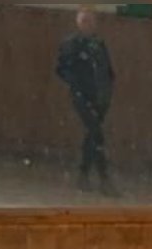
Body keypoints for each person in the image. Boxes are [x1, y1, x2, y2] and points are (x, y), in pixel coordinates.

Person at [57, 6, 119, 197]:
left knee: (91, 136)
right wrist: (77, 86)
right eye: (84, 21)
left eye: (91, 21)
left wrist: (107, 88)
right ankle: (104, 179)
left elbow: (107, 69)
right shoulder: (71, 43)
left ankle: (83, 176)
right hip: (81, 96)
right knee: (96, 135)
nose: (88, 25)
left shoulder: (98, 44)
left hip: (99, 97)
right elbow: (61, 69)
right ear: (78, 22)